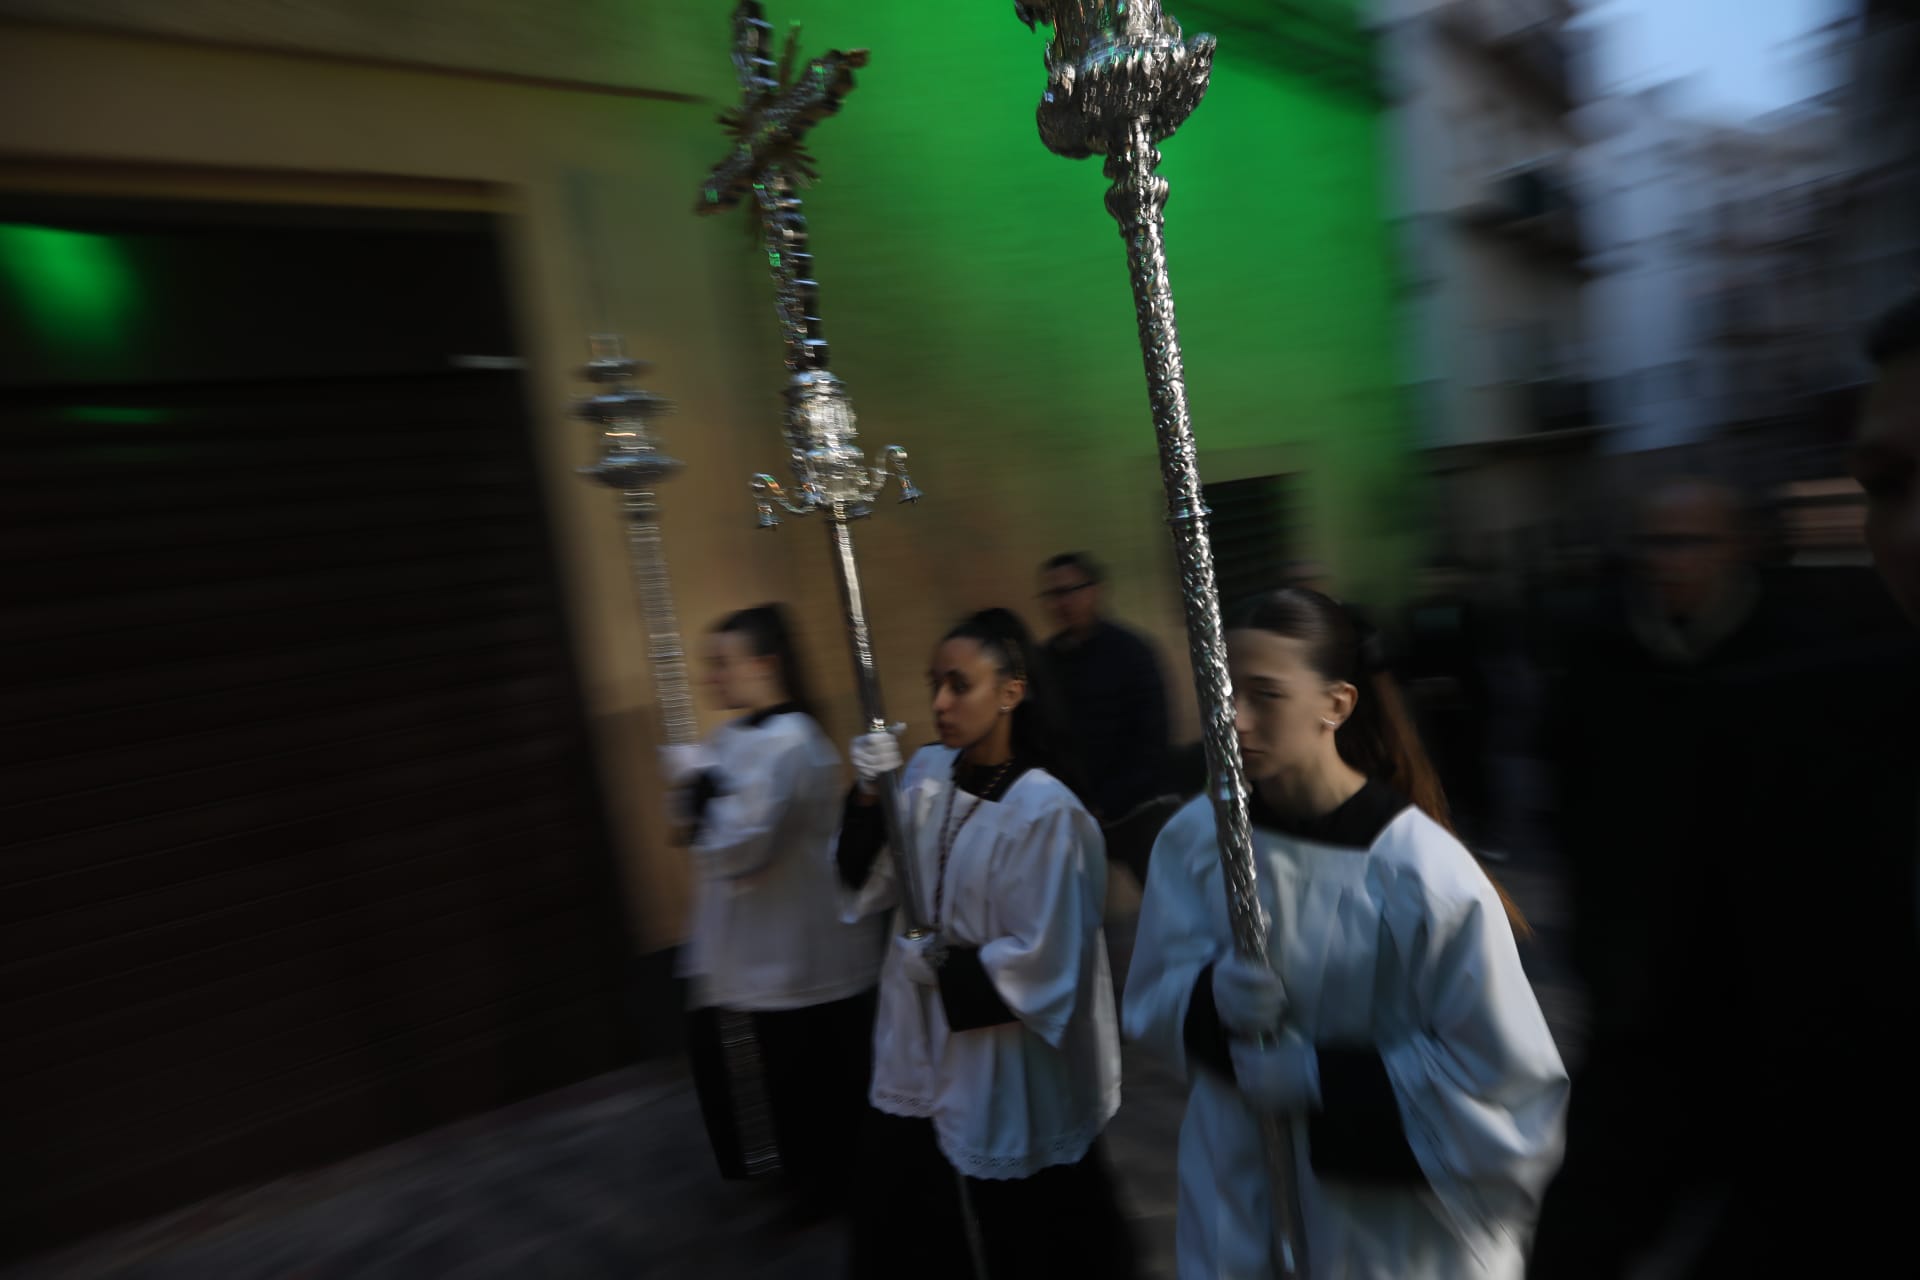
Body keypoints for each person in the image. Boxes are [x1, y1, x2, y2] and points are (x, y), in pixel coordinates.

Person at [1122, 587, 1566, 1279]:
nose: (1234, 718)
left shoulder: (1423, 874)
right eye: (1224, 690)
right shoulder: (1197, 841)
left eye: (1265, 695)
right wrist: (1208, 999)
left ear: (1336, 704)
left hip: (1378, 1232)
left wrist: (1319, 1078)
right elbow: (1152, 998)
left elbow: (1507, 1090)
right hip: (1236, 1195)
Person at [835, 607, 1134, 1279]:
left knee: (1028, 1230)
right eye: (934, 685)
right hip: (915, 1041)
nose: (939, 703)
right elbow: (871, 879)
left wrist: (940, 963)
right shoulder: (926, 773)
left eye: (958, 685)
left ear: (1010, 692)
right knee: (905, 1214)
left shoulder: (1046, 812)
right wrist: (867, 795)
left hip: (998, 1054)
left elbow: (1047, 960)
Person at [665, 604, 886, 1220]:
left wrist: (702, 799)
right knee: (765, 1078)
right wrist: (698, 800)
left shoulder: (794, 743)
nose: (712, 677)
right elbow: (690, 827)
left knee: (810, 1081)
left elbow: (743, 843)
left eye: (723, 663)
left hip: (798, 949)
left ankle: (830, 1185)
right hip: (746, 945)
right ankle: (795, 1174)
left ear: (765, 663)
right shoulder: (730, 738)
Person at [1038, 553, 1172, 878]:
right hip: (1069, 809)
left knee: (1164, 887)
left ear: (1094, 590)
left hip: (1136, 807)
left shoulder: (1131, 652)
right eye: (1053, 595)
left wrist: (1109, 800)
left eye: (1070, 591)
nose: (1063, 603)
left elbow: (1152, 736)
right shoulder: (1044, 662)